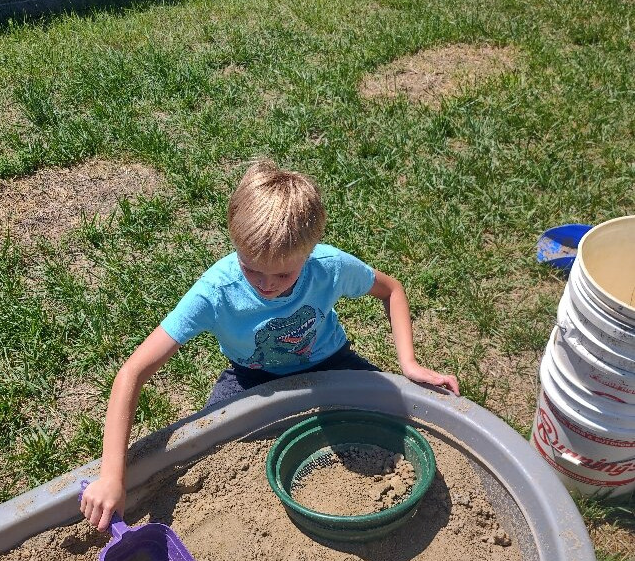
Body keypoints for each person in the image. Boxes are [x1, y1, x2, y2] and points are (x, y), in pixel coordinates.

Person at [80, 159, 459, 531]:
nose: (266, 285)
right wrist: (112, 476)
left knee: (395, 415)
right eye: (251, 269)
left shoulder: (328, 267)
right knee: (210, 450)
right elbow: (132, 372)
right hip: (252, 377)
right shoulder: (216, 292)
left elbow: (391, 290)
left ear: (309, 251)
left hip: (332, 363)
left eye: (283, 274)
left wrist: (408, 364)